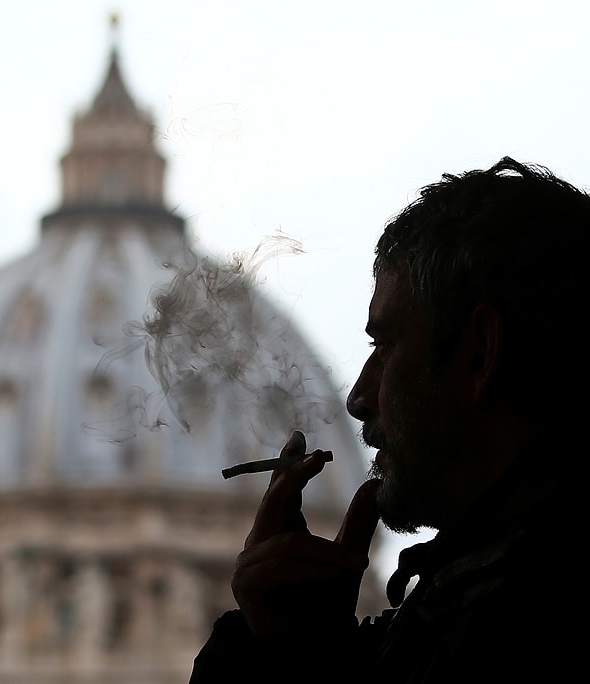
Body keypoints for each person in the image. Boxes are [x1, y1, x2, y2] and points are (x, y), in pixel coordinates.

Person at [188, 157, 588, 682]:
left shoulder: (500, 624)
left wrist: (276, 661)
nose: (357, 397)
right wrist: (302, 649)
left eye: (386, 345)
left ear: (478, 354)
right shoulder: (463, 594)